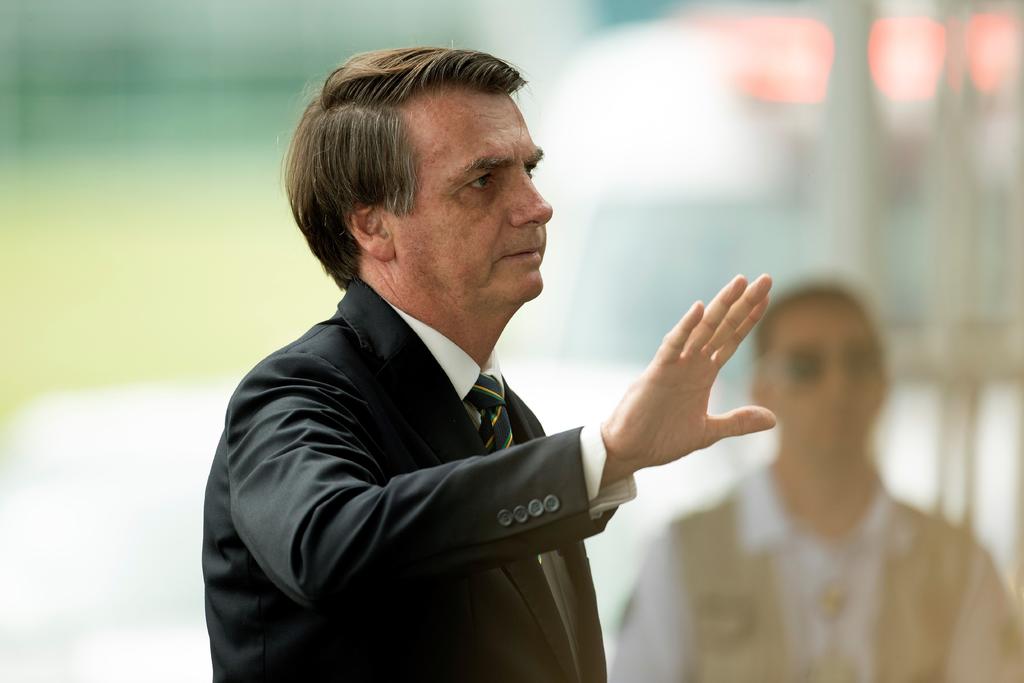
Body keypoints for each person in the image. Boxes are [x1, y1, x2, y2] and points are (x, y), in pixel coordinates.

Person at [202, 47, 775, 683]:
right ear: (372, 227)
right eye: (483, 181)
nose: (537, 206)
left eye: (529, 169)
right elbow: (326, 543)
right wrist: (603, 457)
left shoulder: (504, 416)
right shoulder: (296, 392)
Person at [610, 283, 1024, 683]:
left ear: (883, 383)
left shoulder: (961, 565)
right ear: (761, 388)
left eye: (858, 363)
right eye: (805, 367)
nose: (837, 386)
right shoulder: (682, 555)